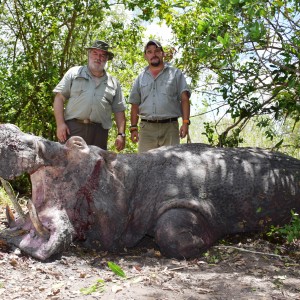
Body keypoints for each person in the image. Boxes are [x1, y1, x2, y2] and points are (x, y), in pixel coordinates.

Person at [53, 40, 126, 151]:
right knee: (68, 166)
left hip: (99, 134)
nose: (98, 58)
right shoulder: (74, 73)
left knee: (97, 167)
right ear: (89, 54)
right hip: (73, 130)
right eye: (95, 53)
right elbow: (59, 98)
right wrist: (60, 124)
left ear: (106, 59)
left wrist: (121, 134)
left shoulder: (113, 82)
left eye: (102, 55)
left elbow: (119, 110)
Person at [128, 40, 191, 153]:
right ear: (145, 56)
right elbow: (134, 104)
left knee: (172, 165)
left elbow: (185, 99)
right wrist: (133, 128)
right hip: (146, 129)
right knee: (145, 165)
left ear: (163, 53)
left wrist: (185, 122)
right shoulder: (140, 78)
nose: (154, 54)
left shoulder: (176, 74)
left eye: (157, 51)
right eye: (150, 52)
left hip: (170, 128)